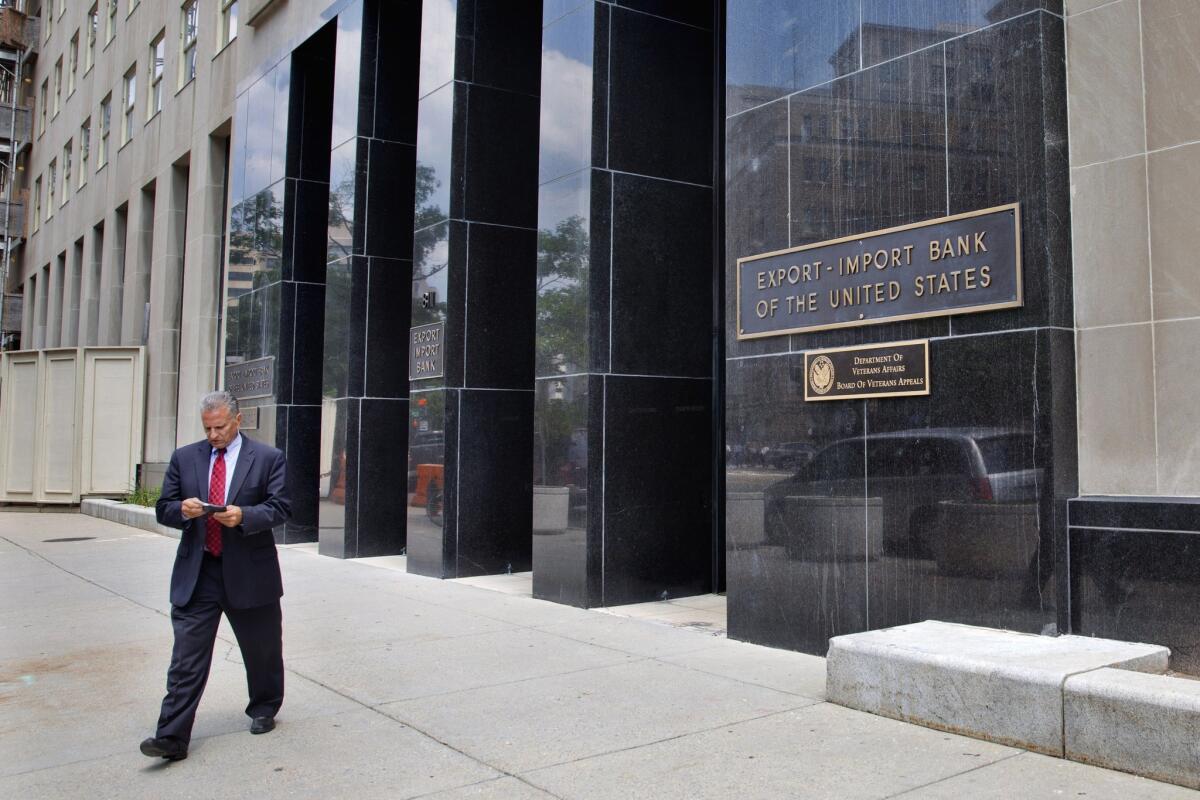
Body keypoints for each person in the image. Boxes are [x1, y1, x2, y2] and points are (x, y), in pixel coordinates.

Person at [140, 390, 291, 762]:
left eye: (220, 427)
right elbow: (164, 508)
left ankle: (264, 707)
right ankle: (171, 736)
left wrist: (244, 516)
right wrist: (183, 510)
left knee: (262, 651)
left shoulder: (268, 458)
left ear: (238, 421)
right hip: (200, 570)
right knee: (186, 658)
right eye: (208, 428)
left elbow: (281, 507)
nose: (213, 435)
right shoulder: (185, 458)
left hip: (249, 571)